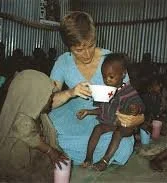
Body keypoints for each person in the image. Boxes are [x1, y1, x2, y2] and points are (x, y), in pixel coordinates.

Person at [49, 11, 144, 166]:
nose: (87, 54)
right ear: (68, 46)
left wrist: (137, 118)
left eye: (91, 45)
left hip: (106, 116)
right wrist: (70, 92)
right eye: (79, 50)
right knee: (52, 134)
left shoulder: (112, 61)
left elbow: (130, 96)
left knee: (124, 146)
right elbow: (47, 102)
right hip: (76, 116)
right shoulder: (63, 62)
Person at [0, 70, 69, 182]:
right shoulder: (20, 118)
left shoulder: (38, 114)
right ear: (34, 97)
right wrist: (50, 151)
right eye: (48, 96)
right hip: (16, 163)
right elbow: (28, 134)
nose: (51, 100)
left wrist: (53, 150)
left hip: (33, 155)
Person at [76, 53, 145, 171]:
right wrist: (88, 112)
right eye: (104, 77)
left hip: (125, 125)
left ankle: (105, 160)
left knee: (118, 133)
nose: (107, 80)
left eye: (111, 77)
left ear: (123, 74)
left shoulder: (128, 91)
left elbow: (141, 106)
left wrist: (136, 109)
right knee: (97, 128)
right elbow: (102, 110)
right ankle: (88, 158)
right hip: (111, 123)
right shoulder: (106, 91)